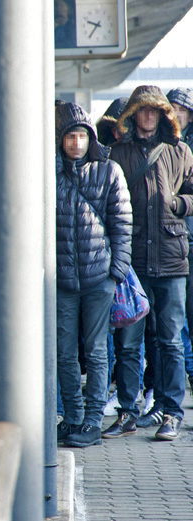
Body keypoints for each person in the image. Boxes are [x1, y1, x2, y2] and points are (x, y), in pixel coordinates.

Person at [103, 85, 193, 442]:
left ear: (162, 116)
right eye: (142, 111)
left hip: (172, 259)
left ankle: (171, 412)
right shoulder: (116, 153)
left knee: (171, 340)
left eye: (154, 111)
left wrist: (179, 206)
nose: (148, 117)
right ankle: (128, 410)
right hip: (132, 259)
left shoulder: (180, 151)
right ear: (132, 115)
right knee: (128, 341)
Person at [53, 102, 132, 448]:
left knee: (97, 350)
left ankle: (93, 420)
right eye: (70, 136)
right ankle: (72, 418)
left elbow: (122, 225)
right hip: (62, 280)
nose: (76, 143)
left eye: (81, 136)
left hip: (100, 277)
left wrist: (116, 274)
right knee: (65, 353)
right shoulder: (48, 173)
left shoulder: (109, 171)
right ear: (61, 139)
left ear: (90, 138)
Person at [168, 88, 193, 396]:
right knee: (178, 315)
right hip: (174, 240)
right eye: (171, 109)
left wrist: (178, 204)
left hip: (187, 234)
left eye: (182, 110)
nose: (176, 115)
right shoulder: (165, 146)